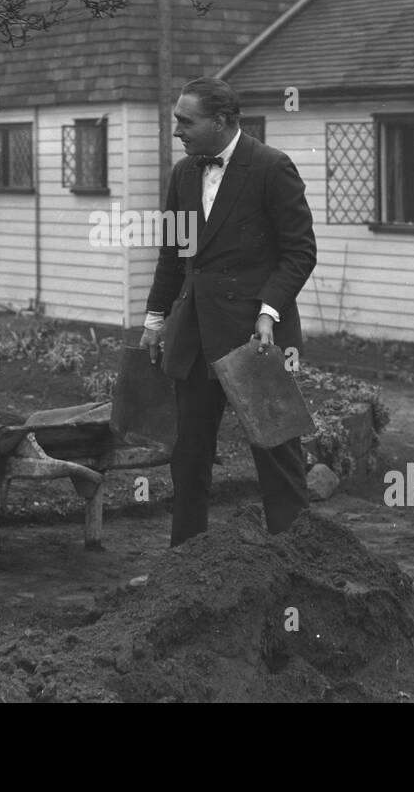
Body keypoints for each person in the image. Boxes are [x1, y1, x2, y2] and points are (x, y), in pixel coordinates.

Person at [140, 77, 317, 546]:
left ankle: (296, 559)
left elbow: (299, 252)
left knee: (276, 452)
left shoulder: (271, 167)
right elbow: (172, 256)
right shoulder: (183, 174)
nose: (176, 130)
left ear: (220, 122)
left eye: (185, 121)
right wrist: (155, 321)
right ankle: (185, 561)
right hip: (195, 335)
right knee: (189, 455)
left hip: (255, 338)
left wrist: (268, 313)